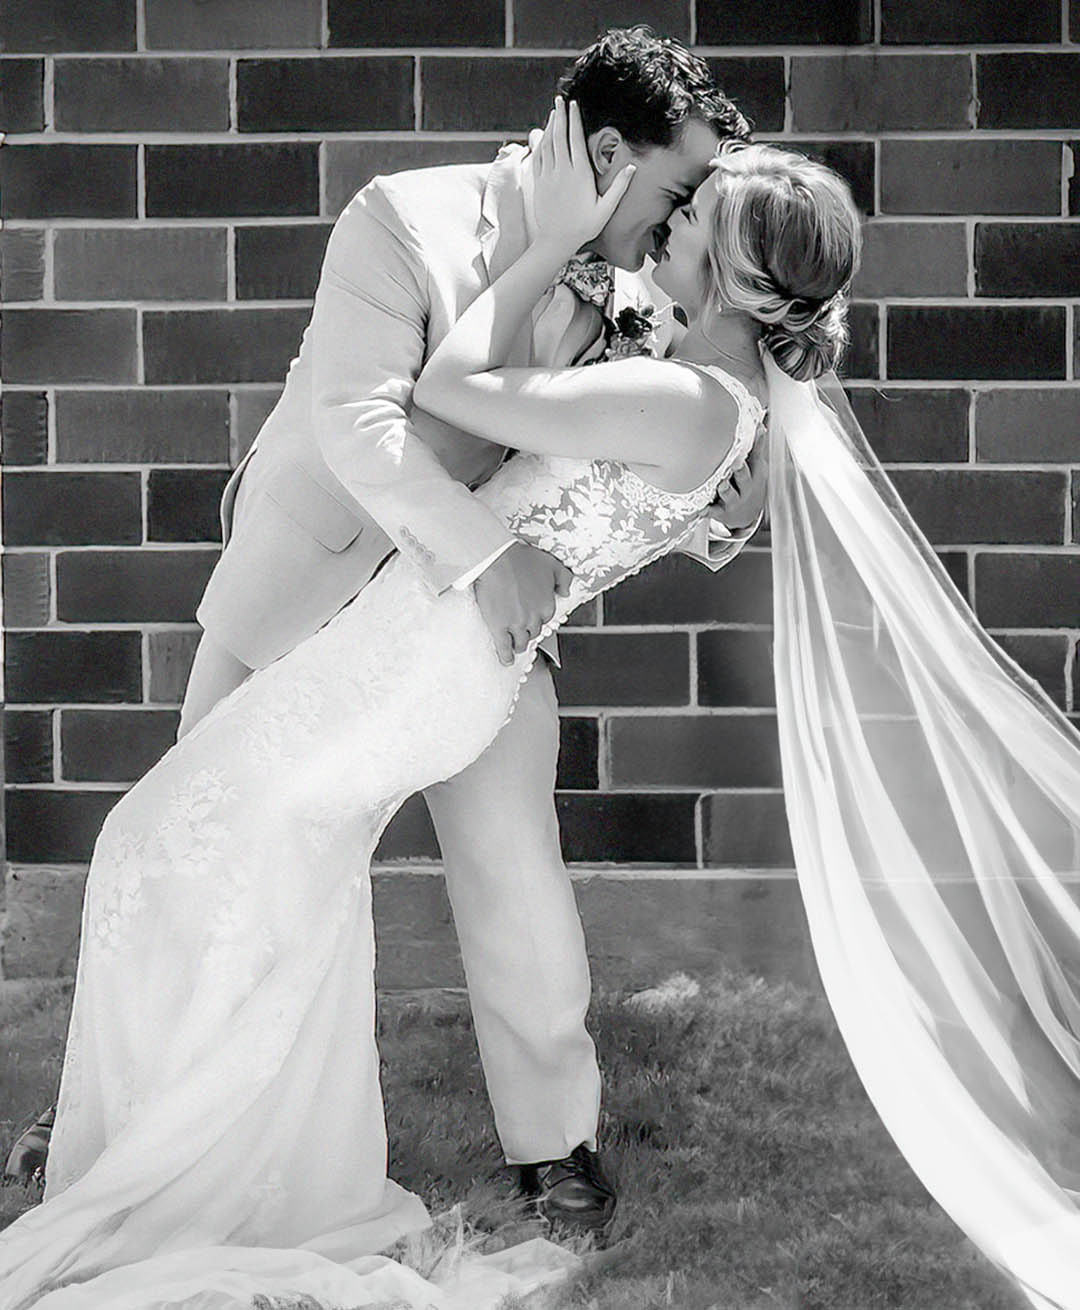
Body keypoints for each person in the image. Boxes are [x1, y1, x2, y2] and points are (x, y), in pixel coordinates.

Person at [0, 107, 864, 1308]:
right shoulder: (403, 216)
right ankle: (130, 1106)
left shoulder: (659, 331)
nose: (670, 222)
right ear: (610, 158)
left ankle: (553, 1151)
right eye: (675, 194)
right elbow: (363, 421)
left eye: (694, 214)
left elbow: (659, 467)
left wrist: (687, 504)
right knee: (210, 848)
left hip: (464, 633)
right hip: (337, 564)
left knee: (492, 877)